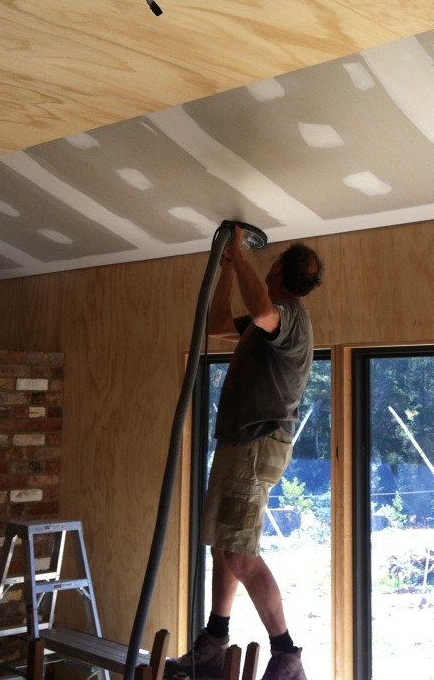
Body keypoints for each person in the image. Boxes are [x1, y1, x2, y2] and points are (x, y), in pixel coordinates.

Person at [166, 225, 324, 680]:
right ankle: (215, 639)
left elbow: (260, 308)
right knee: (225, 546)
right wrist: (227, 269)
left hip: (257, 444)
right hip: (241, 443)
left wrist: (239, 252)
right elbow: (216, 324)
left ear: (277, 270)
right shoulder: (264, 326)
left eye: (270, 265)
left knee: (237, 553)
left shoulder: (289, 315)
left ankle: (286, 654)